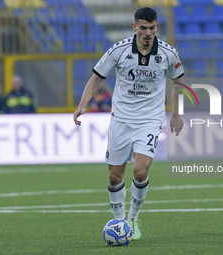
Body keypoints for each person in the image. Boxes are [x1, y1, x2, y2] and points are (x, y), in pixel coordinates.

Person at [73, 7, 184, 241]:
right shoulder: (118, 51)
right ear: (134, 27)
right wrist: (82, 104)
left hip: (150, 119)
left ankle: (133, 217)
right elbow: (96, 78)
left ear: (156, 28)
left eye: (152, 28)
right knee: (115, 176)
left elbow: (179, 82)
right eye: (143, 28)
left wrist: (176, 113)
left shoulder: (168, 54)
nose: (147, 33)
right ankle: (118, 220)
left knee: (141, 171)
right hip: (121, 118)